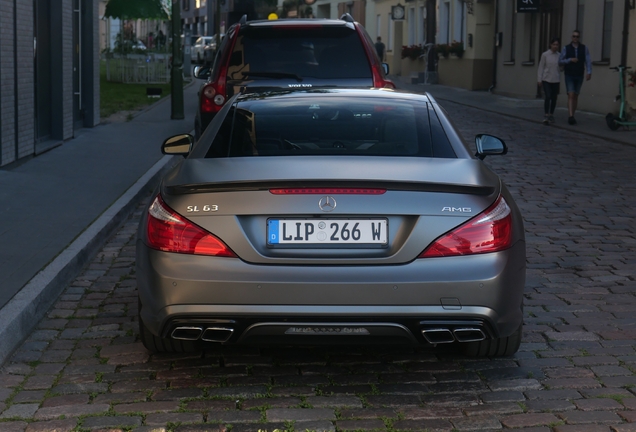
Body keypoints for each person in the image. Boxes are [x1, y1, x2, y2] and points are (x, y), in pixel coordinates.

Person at [559, 30, 591, 125]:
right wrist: (569, 60)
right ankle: (570, 116)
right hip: (569, 74)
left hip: (579, 74)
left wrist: (589, 72)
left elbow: (588, 60)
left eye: (577, 37)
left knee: (576, 95)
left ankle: (573, 114)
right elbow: (560, 61)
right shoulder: (566, 48)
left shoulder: (584, 48)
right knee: (571, 94)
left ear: (579, 38)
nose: (575, 38)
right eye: (574, 36)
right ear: (571, 37)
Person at [537, 38, 561, 125]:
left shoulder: (559, 55)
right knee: (548, 96)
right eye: (554, 44)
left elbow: (560, 68)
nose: (555, 46)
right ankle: (546, 114)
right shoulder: (545, 55)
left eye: (557, 45)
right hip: (546, 79)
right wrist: (539, 79)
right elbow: (541, 67)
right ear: (550, 45)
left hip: (556, 79)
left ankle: (551, 114)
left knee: (554, 98)